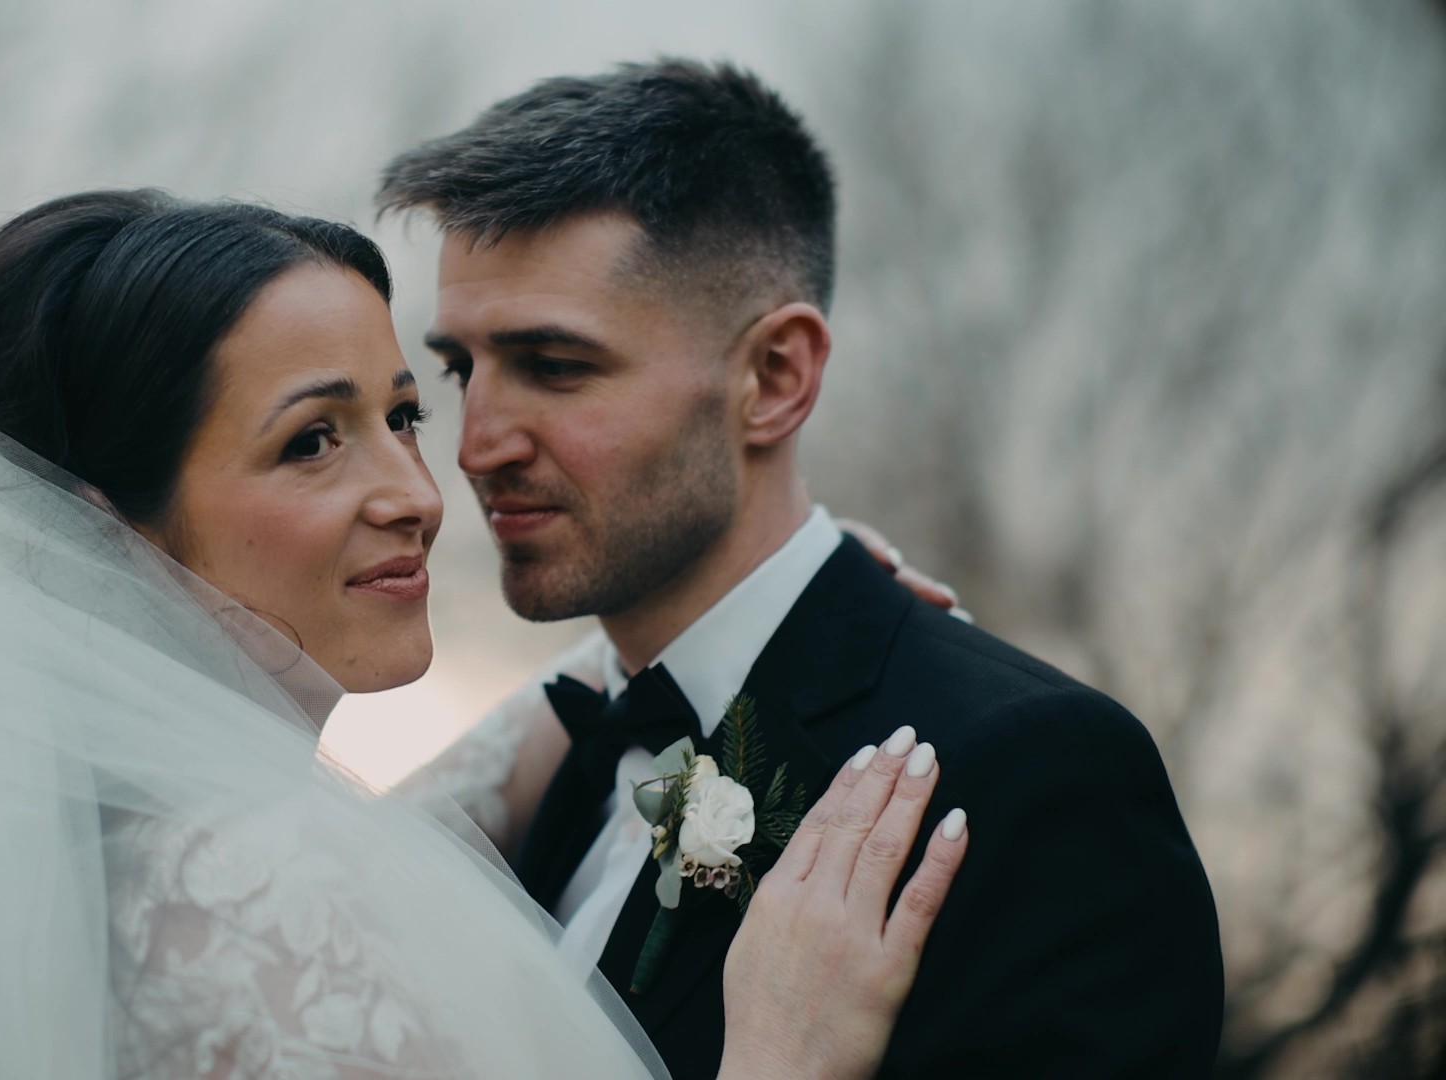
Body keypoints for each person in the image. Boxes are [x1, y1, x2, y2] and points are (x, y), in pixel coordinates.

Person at [0, 191, 970, 1080]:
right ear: (112, 532)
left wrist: (764, 600)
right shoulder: (266, 906)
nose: (411, 490)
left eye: (400, 415)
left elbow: (463, 791)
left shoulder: (107, 858)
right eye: (310, 440)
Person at [379, 59, 1225, 1078]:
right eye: (465, 370)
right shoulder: (571, 755)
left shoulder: (1030, 774)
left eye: (557, 367)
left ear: (775, 378)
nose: (477, 447)